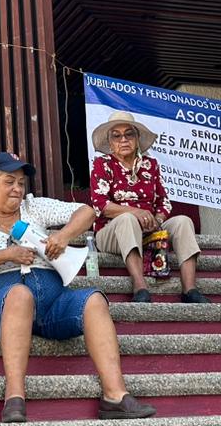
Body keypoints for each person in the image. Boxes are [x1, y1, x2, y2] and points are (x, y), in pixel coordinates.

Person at [0, 152, 157, 422]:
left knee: (94, 300)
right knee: (20, 295)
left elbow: (87, 211)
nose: (17, 189)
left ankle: (115, 396)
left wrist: (62, 235)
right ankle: (14, 397)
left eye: (21, 183)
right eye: (10, 182)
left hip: (49, 302)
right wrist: (7, 255)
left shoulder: (33, 208)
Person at [89, 111, 207, 303]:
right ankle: (140, 287)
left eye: (129, 134)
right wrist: (137, 213)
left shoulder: (150, 165)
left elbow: (164, 201)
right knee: (127, 219)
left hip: (147, 230)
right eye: (116, 136)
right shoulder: (102, 164)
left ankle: (189, 289)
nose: (123, 140)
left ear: (137, 138)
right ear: (110, 143)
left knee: (183, 221)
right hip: (111, 233)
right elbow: (100, 205)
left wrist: (157, 220)